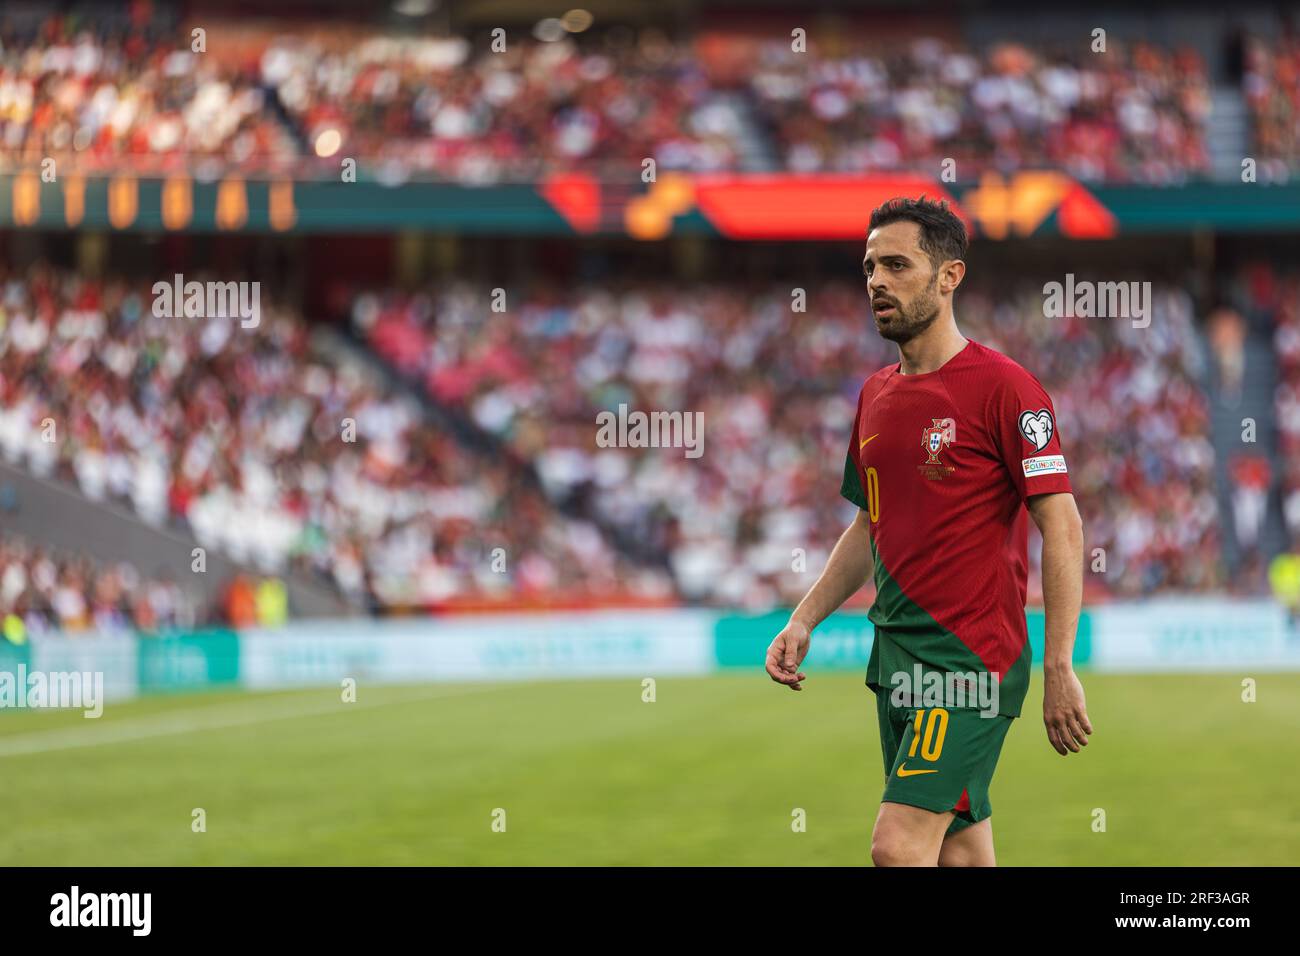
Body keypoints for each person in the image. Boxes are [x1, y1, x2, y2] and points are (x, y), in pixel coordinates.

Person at [765, 197, 1092, 866]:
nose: (877, 282)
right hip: (896, 660)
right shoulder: (875, 394)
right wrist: (806, 618)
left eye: (896, 265)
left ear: (949, 277)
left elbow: (1061, 525)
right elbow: (868, 522)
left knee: (897, 847)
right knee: (960, 855)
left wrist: (1059, 663)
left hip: (969, 662)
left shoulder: (1006, 389)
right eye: (868, 267)